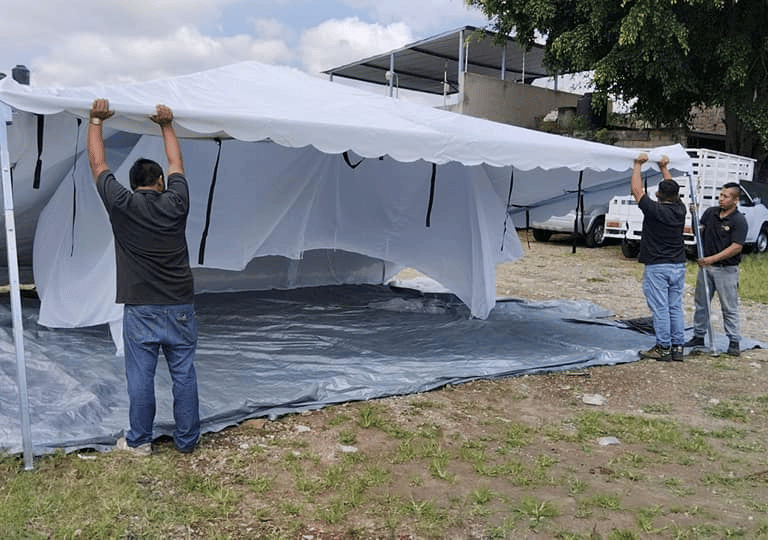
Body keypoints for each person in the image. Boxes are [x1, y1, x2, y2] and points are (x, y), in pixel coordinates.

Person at [88, 98, 200, 455]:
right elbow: (177, 163)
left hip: (140, 309)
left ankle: (139, 442)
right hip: (180, 305)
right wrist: (166, 125)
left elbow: (98, 164)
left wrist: (95, 121)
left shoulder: (121, 203)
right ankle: (187, 442)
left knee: (141, 379)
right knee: (184, 375)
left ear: (132, 184)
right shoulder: (177, 202)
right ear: (161, 182)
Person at [631, 153, 687, 362]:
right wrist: (664, 168)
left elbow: (637, 191)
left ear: (658, 194)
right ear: (676, 196)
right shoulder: (680, 209)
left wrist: (637, 164)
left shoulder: (654, 209)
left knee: (661, 308)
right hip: (678, 264)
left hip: (658, 266)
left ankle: (663, 347)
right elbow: (669, 189)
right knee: (675, 307)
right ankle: (678, 347)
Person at [684, 182, 747, 356]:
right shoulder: (710, 213)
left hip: (726, 270)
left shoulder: (739, 220)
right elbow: (698, 232)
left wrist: (712, 259)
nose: (721, 199)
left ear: (735, 200)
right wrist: (694, 216)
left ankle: (734, 341)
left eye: (726, 196)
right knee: (701, 303)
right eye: (720, 195)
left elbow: (736, 247)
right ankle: (698, 335)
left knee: (729, 306)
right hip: (706, 268)